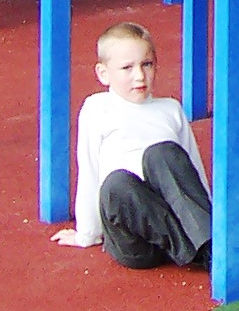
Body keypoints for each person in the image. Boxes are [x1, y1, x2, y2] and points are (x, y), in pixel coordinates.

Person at [51, 21, 216, 269]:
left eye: (146, 64)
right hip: (135, 240)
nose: (139, 76)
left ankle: (211, 244)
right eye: (127, 68)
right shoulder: (97, 108)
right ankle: (199, 250)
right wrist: (86, 233)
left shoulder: (170, 108)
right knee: (117, 183)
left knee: (161, 153)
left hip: (172, 216)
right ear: (103, 73)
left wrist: (210, 215)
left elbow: (191, 171)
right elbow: (90, 170)